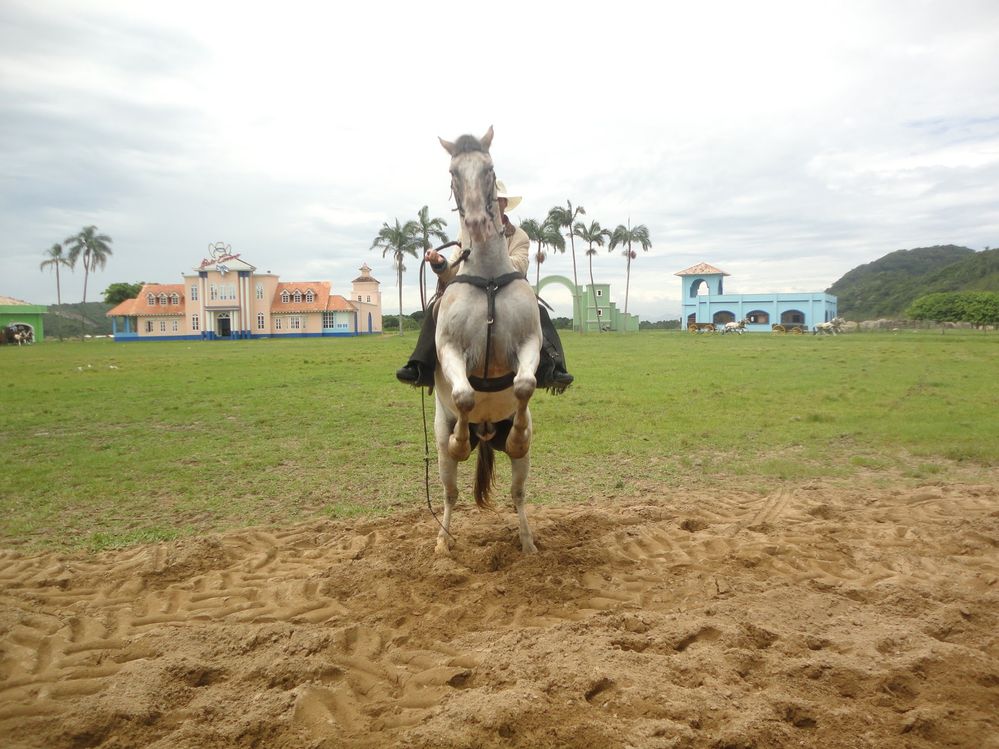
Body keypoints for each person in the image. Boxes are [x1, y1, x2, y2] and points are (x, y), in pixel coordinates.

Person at [396, 180, 573, 392]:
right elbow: (453, 269)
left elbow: (521, 266)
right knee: (438, 306)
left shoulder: (519, 236)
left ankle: (552, 368)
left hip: (509, 294)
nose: (490, 205)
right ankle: (420, 366)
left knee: (539, 311)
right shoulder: (467, 233)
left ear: (504, 204)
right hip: (472, 294)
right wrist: (440, 262)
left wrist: (494, 255)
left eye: (495, 200)